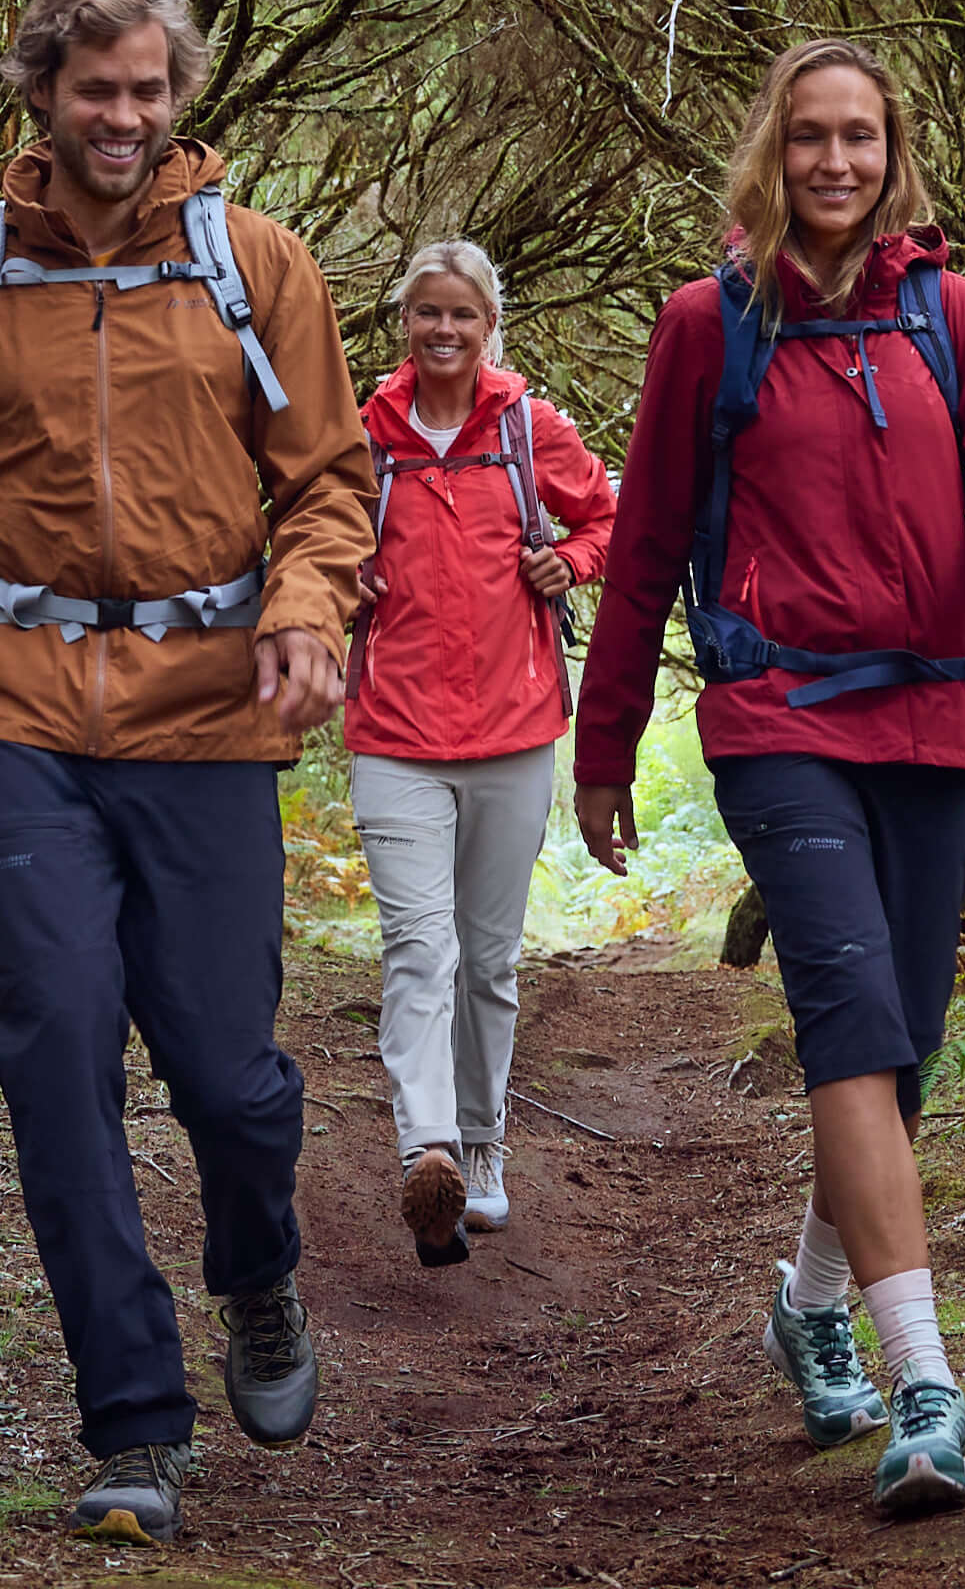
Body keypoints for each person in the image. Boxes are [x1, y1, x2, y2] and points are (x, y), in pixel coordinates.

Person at [0, 0, 364, 1549]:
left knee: (228, 1076)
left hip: (209, 716)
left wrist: (307, 610)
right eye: (97, 89)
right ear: (41, 94)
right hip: (21, 715)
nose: (125, 117)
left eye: (149, 91)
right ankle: (132, 1420)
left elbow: (329, 484)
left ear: (178, 99)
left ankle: (258, 1271)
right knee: (55, 1047)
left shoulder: (256, 265)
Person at [574, 38, 965, 1527]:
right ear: (773, 151)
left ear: (893, 152)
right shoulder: (709, 326)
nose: (836, 161)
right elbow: (646, 543)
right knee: (851, 1022)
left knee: (902, 1052)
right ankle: (924, 1380)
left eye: (860, 136)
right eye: (810, 135)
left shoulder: (956, 315)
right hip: (779, 717)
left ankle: (807, 1307)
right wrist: (605, 746)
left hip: (934, 722)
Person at [339, 237, 617, 1271]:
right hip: (395, 736)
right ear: (404, 322)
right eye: (428, 312)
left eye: (463, 313)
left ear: (490, 324)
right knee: (421, 950)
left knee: (489, 961)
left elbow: (608, 519)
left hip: (514, 733)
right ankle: (431, 1152)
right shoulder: (364, 434)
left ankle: (485, 1141)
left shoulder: (531, 430)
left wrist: (568, 561)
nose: (444, 329)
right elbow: (305, 536)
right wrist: (341, 574)